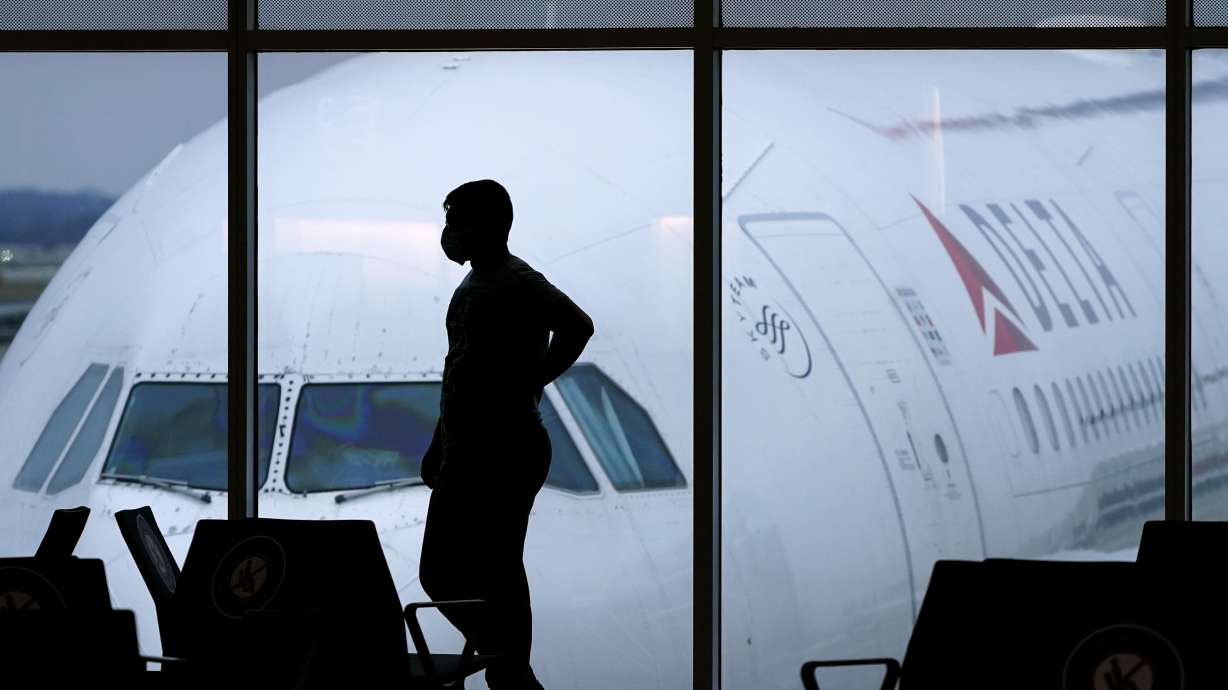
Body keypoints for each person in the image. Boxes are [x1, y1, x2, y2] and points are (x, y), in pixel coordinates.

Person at [418, 179, 594, 690]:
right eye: (448, 222)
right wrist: (439, 442)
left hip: (504, 452)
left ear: (495, 226)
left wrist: (532, 379)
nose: (450, 234)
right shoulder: (472, 286)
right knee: (464, 572)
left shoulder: (517, 281)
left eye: (459, 222)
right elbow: (461, 371)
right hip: (468, 451)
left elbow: (577, 325)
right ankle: (510, 665)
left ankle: (509, 667)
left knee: (483, 571)